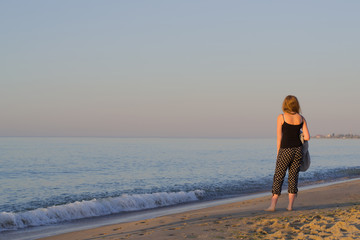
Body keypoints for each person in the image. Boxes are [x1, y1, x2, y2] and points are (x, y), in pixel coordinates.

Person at [265, 95, 310, 211]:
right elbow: (307, 137)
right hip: (298, 150)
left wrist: (277, 153)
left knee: (279, 177)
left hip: (285, 150)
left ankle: (272, 206)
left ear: (285, 104)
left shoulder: (281, 117)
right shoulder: (301, 118)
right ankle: (290, 206)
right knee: (293, 177)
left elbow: (279, 137)